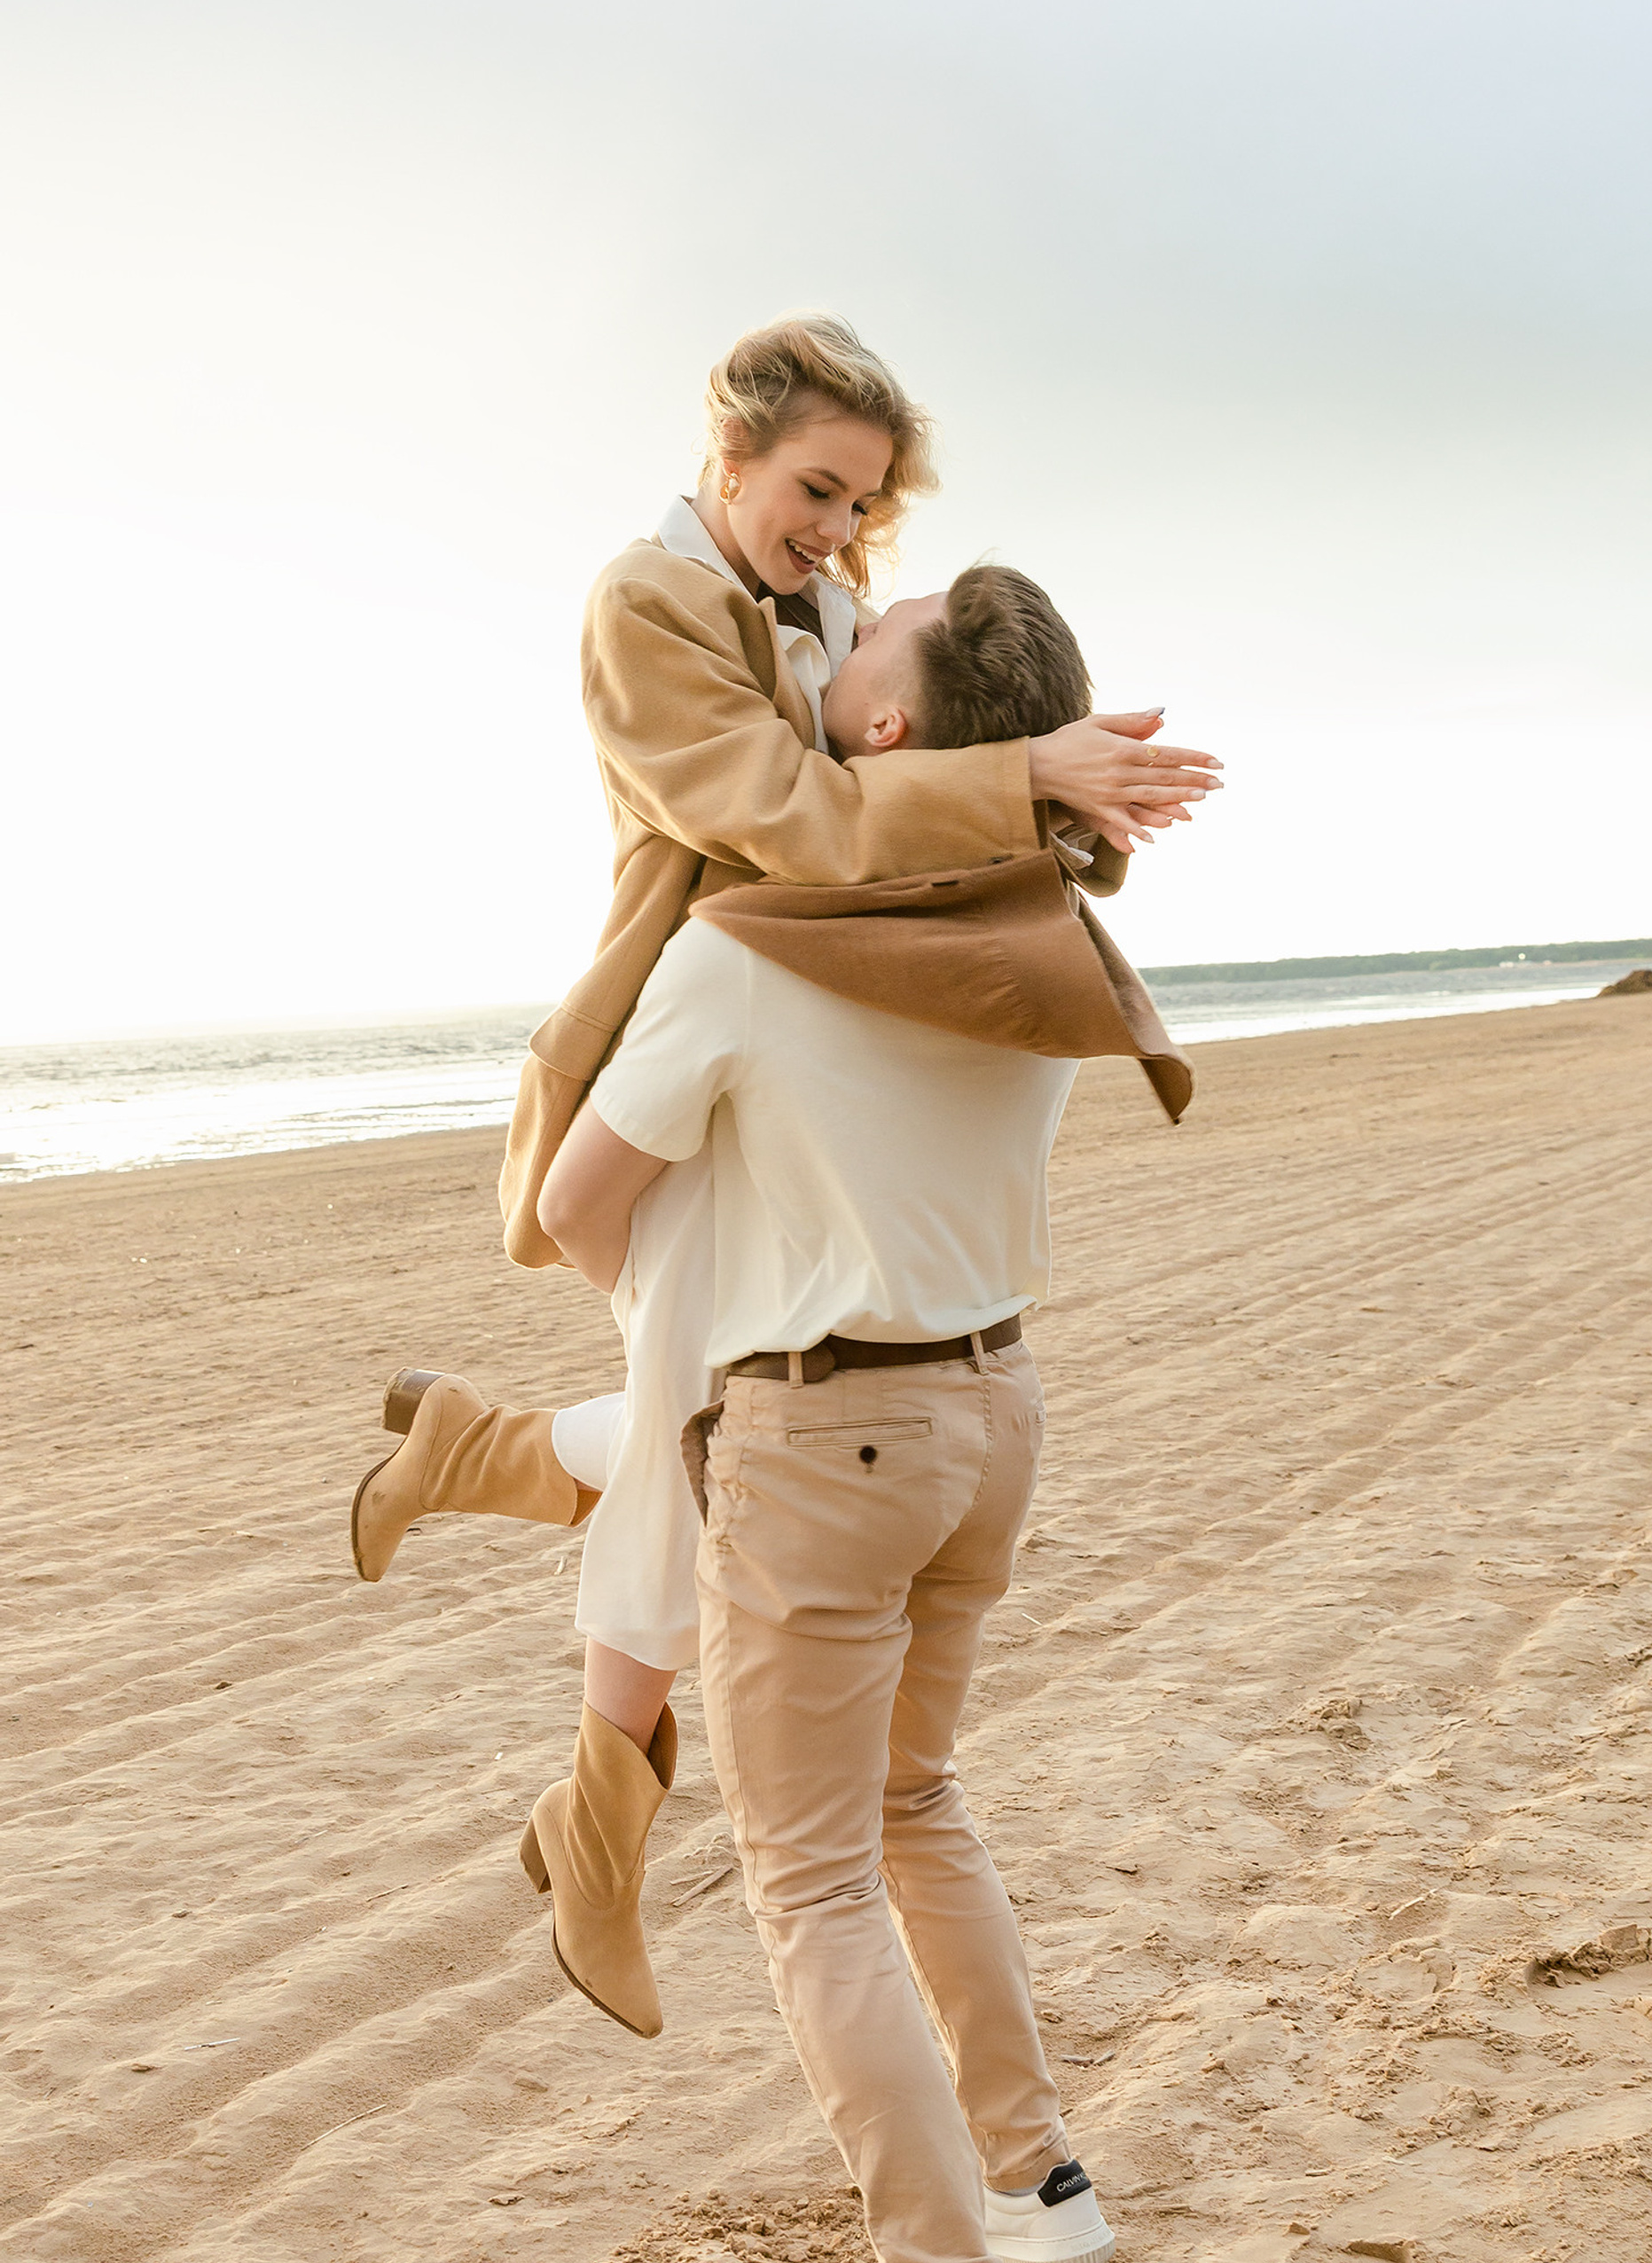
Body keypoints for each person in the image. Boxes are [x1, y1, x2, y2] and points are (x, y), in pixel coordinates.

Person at [348, 318, 1217, 2039]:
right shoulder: (645, 607)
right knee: (697, 1414)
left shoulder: (819, 599)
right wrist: (1020, 771)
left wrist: (1047, 768)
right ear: (729, 449)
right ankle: (592, 1820)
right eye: (815, 488)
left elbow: (892, 748)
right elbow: (790, 816)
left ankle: (495, 1487)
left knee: (697, 1410)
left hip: (798, 1031)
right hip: (698, 1019)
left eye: (862, 503)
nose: (836, 529)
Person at [534, 568, 1128, 2263]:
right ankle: (1042, 2187)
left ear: (882, 727)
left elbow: (585, 1209)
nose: (842, 611)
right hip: (996, 1411)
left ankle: (941, 2243)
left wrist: (686, 1348)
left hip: (834, 1440)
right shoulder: (1049, 940)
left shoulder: (744, 950)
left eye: (874, 626)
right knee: (914, 1804)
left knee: (810, 1885)